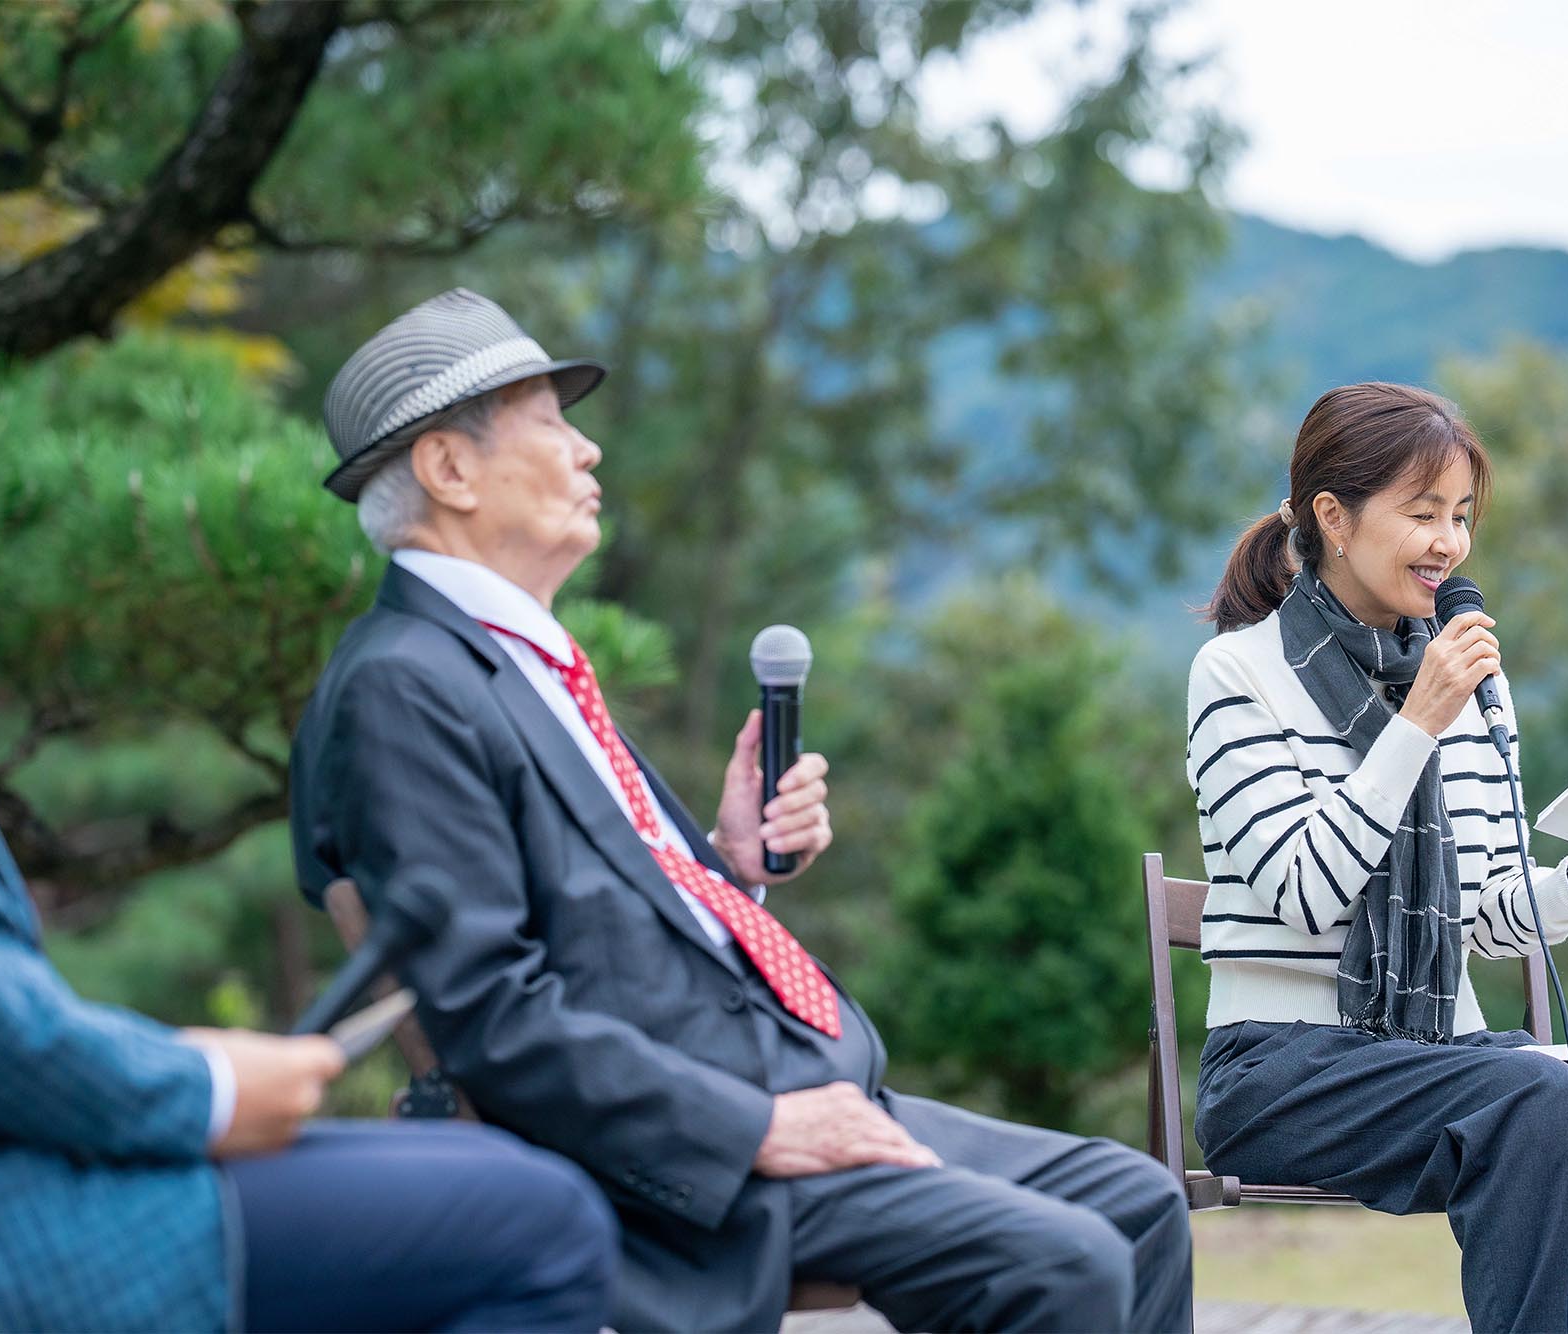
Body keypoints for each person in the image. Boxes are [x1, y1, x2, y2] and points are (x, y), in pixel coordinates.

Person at [288, 288, 1192, 1334]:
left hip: (791, 1088)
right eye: (550, 422)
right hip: (684, 1153)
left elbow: (603, 919)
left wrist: (728, 860)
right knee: (1064, 1258)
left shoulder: (518, 660)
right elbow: (488, 1010)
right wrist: (753, 1123)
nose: (586, 453)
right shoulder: (403, 684)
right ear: (449, 469)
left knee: (1138, 1200)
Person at [1184, 383, 1568, 1333]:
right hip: (1279, 1070)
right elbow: (1301, 890)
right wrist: (1416, 726)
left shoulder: (1466, 686)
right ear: (1332, 517)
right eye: (1421, 514)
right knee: (1535, 1093)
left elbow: (1487, 915)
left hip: (1434, 1055)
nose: (1448, 543)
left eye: (1461, 517)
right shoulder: (1238, 674)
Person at [0, 779, 619, 1333]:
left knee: (490, 1166)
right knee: (546, 1229)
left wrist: (182, 1058)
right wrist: (207, 1089)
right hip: (20, 1225)